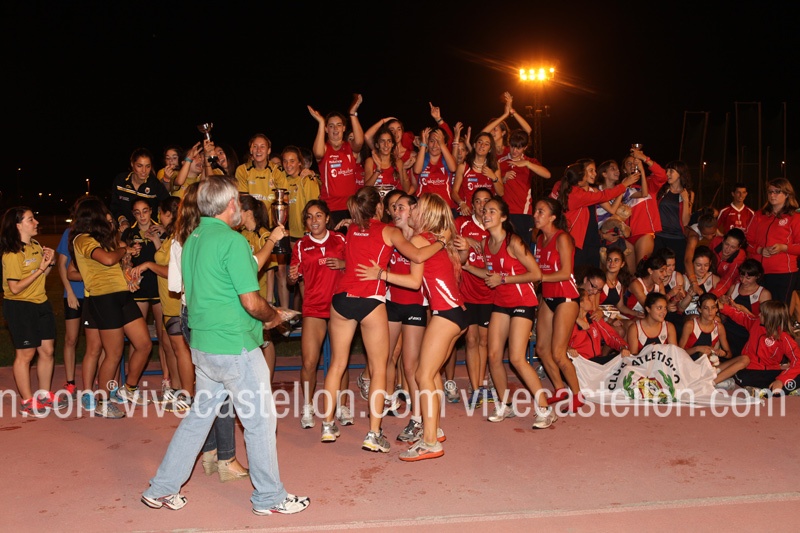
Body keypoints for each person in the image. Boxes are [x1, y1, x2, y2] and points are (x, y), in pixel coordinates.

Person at [141, 175, 310, 515]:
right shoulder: (231, 241)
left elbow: (231, 277)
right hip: (234, 347)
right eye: (237, 201)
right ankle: (269, 497)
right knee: (260, 422)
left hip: (204, 346)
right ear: (230, 204)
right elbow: (251, 301)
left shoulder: (192, 238)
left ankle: (162, 488)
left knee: (198, 418)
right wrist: (273, 317)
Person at [319, 186, 443, 452]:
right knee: (378, 369)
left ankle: (327, 425)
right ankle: (373, 433)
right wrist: (442, 242)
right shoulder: (389, 231)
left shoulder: (352, 228)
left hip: (341, 299)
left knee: (337, 364)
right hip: (370, 300)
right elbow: (417, 255)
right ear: (378, 207)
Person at [359, 193, 467, 460]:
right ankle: (434, 430)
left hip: (446, 315)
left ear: (426, 214)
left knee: (423, 375)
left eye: (416, 208)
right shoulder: (436, 240)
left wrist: (380, 274)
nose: (412, 212)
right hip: (456, 313)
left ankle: (430, 442)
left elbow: (413, 282)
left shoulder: (422, 240)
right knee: (432, 374)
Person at [167, 182, 251, 483]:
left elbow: (175, 285)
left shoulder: (183, 239)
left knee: (209, 391)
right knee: (225, 392)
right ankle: (226, 458)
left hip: (189, 315)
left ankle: (211, 453)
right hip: (216, 319)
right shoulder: (220, 239)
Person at [462, 196, 553, 427]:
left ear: (503, 217)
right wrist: (467, 267)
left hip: (523, 301)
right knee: (493, 356)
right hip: (501, 302)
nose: (486, 214)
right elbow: (489, 274)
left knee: (516, 358)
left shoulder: (513, 242)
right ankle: (505, 404)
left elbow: (536, 274)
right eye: (485, 211)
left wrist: (503, 279)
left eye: (492, 211)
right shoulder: (485, 243)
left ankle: (545, 408)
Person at [70, 196, 153, 418]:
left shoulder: (101, 239)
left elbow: (114, 263)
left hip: (122, 295)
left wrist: (126, 267)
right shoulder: (82, 239)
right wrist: (123, 250)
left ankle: (129, 388)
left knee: (144, 344)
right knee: (113, 353)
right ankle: (103, 402)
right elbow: (107, 260)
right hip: (103, 299)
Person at [288, 199, 348, 429]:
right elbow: (292, 278)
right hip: (313, 307)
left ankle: (342, 406)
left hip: (339, 306)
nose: (314, 220)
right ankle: (308, 406)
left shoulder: (340, 239)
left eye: (318, 215)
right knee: (309, 361)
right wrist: (292, 277)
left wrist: (343, 263)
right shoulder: (301, 245)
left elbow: (354, 264)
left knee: (340, 360)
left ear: (327, 218)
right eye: (309, 216)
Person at [129, 196, 191, 412]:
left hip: (176, 302)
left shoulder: (179, 237)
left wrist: (148, 264)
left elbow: (174, 272)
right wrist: (156, 240)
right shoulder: (171, 236)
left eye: (160, 213)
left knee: (181, 350)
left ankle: (187, 395)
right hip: (168, 302)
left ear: (169, 215)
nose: (158, 218)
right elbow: (164, 258)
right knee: (171, 347)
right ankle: (176, 390)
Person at [0, 207, 60, 416]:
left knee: (47, 351)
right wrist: (41, 269)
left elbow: (42, 275)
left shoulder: (35, 245)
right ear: (18, 226)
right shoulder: (12, 253)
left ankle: (44, 395)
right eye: (31, 219)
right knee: (26, 354)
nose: (36, 222)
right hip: (19, 306)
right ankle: (27, 401)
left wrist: (50, 262)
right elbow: (15, 287)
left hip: (41, 303)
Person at [532, 197, 583, 414]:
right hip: (548, 297)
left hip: (566, 298)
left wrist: (539, 277)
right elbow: (538, 271)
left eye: (541, 212)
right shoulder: (539, 239)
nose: (535, 215)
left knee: (558, 353)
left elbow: (565, 273)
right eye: (535, 211)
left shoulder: (562, 238)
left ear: (553, 217)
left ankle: (577, 395)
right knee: (542, 349)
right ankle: (560, 389)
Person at [454, 187, 494, 406]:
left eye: (486, 201)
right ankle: (475, 386)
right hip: (467, 291)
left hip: (489, 292)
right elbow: (446, 240)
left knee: (484, 340)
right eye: (477, 201)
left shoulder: (496, 228)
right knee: (471, 339)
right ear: (472, 205)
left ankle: (482, 381)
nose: (482, 205)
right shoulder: (462, 224)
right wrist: (466, 240)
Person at [716, 299, 800, 396]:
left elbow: (798, 360)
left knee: (794, 376)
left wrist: (781, 380)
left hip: (771, 371)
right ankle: (778, 391)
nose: (759, 315)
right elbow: (741, 316)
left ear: (770, 318)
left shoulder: (784, 337)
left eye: (762, 314)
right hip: (750, 370)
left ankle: (766, 391)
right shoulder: (756, 323)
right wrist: (723, 307)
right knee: (744, 377)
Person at [308, 94, 364, 228]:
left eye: (339, 125)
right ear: (327, 129)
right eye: (331, 126)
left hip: (351, 207)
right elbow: (317, 153)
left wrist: (353, 114)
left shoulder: (349, 147)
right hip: (330, 207)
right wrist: (321, 123)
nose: (335, 129)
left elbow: (359, 142)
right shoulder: (324, 148)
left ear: (344, 128)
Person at [745, 178, 800, 305]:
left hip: (783, 273)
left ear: (787, 194)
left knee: (778, 310)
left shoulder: (795, 217)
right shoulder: (759, 215)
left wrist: (783, 247)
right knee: (759, 309)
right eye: (770, 192)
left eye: (777, 191)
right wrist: (759, 250)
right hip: (758, 272)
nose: (772, 195)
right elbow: (747, 241)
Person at [497, 129, 551, 247]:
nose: (514, 151)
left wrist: (527, 164)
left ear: (525, 147)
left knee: (523, 248)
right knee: (505, 247)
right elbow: (492, 184)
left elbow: (547, 174)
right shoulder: (500, 160)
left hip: (523, 213)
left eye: (519, 148)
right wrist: (503, 178)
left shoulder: (530, 161)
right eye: (512, 146)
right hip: (503, 212)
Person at [718, 259, 772, 357]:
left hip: (747, 333)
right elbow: (724, 315)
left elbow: (765, 323)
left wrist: (744, 310)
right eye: (742, 276)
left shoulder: (764, 294)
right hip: (729, 329)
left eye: (748, 278)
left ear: (757, 276)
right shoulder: (734, 288)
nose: (743, 280)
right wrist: (723, 303)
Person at [623, 148, 668, 267]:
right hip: (626, 235)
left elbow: (662, 176)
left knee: (641, 270)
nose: (632, 165)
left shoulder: (649, 183)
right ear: (624, 169)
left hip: (644, 233)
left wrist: (644, 158)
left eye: (635, 162)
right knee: (630, 274)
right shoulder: (621, 187)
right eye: (628, 163)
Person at [110, 147, 170, 231]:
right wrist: (123, 221)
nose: (144, 170)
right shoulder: (120, 180)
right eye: (139, 166)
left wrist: (163, 225)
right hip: (125, 229)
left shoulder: (154, 184)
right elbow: (114, 206)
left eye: (148, 166)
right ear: (132, 164)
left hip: (149, 231)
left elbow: (169, 205)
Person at [568, 289, 630, 364]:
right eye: (588, 298)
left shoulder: (594, 317)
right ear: (581, 304)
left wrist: (622, 347)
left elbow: (611, 335)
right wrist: (569, 349)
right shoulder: (569, 322)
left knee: (625, 361)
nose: (592, 300)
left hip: (596, 361)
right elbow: (559, 345)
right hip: (580, 364)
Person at [654, 161, 694, 272]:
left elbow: (685, 222)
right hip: (659, 236)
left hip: (677, 238)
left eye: (671, 171)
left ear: (680, 173)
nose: (667, 173)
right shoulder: (662, 190)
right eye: (667, 171)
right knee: (657, 270)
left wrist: (685, 200)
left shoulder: (689, 193)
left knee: (676, 272)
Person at [451, 132, 503, 216]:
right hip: (468, 213)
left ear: (490, 149)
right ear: (474, 145)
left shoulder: (494, 166)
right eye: (480, 142)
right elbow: (454, 192)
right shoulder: (463, 166)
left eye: (486, 144)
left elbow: (501, 193)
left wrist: (493, 177)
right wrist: (461, 203)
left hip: (487, 214)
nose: (482, 145)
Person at [679, 293, 731, 362]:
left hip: (706, 364)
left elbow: (729, 354)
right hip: (686, 362)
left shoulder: (719, 327)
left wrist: (723, 353)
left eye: (713, 307)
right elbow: (678, 352)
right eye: (706, 308)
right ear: (700, 309)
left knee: (743, 360)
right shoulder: (690, 325)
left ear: (716, 309)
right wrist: (697, 348)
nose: (710, 311)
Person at [413, 126, 457, 206]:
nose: (434, 145)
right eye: (431, 141)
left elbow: (453, 168)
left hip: (443, 206)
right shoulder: (422, 158)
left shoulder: (446, 160)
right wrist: (423, 144)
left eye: (438, 142)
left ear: (444, 144)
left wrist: (442, 144)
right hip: (424, 206)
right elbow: (417, 170)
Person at [482, 91, 532, 158]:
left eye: (495, 129)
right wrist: (505, 115)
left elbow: (528, 130)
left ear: (503, 132)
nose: (491, 132)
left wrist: (511, 111)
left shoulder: (512, 147)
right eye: (490, 129)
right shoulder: (487, 150)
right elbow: (483, 133)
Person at [364, 126, 410, 196]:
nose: (386, 145)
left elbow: (406, 190)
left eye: (389, 141)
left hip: (392, 201)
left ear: (392, 144)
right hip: (375, 201)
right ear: (377, 145)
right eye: (382, 141)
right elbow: (366, 189)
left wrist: (404, 169)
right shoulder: (370, 161)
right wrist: (378, 169)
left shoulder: (398, 162)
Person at [677, 245, 720, 315]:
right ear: (692, 264)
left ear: (710, 263)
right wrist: (689, 295)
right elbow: (680, 309)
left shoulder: (714, 279)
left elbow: (718, 308)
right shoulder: (683, 279)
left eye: (706, 265)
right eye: (698, 265)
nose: (702, 269)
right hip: (688, 317)